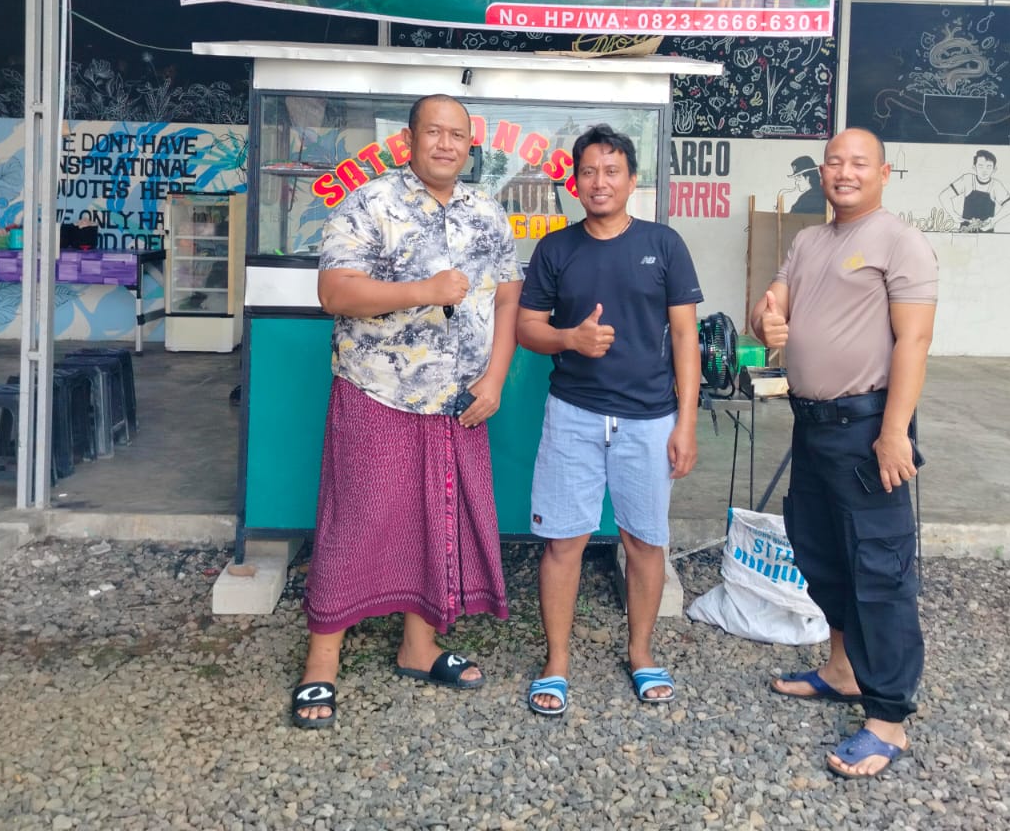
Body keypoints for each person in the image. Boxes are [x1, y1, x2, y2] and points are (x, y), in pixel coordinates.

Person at [291, 94, 523, 730]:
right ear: (409, 140)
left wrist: (496, 378)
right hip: (378, 392)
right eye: (433, 132)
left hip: (458, 400)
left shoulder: (486, 212)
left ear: (470, 146)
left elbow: (507, 299)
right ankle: (321, 662)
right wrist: (424, 290)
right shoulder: (370, 202)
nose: (445, 144)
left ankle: (419, 647)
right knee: (356, 520)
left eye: (457, 135)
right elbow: (334, 292)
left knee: (439, 521)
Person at [750, 127, 937, 780]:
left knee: (880, 571)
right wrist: (766, 318)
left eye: (859, 162)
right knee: (821, 553)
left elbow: (914, 342)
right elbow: (772, 307)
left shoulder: (899, 241)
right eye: (834, 161)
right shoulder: (808, 241)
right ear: (822, 173)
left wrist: (895, 431)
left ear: (884, 173)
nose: (844, 171)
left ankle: (888, 719)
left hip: (868, 429)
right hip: (812, 427)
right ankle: (842, 670)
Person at [515, 125, 702, 716]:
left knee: (645, 542)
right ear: (575, 182)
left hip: (649, 420)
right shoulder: (556, 249)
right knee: (563, 542)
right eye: (589, 172)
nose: (600, 182)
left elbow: (685, 336)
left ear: (632, 180)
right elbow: (526, 328)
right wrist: (569, 338)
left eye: (612, 171)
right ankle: (556, 662)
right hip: (573, 415)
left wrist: (687, 423)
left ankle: (641, 653)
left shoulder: (664, 244)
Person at [939, 149, 1010, 231]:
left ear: (994, 169)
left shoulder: (996, 185)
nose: (984, 170)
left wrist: (993, 220)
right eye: (980, 166)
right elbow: (944, 196)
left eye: (989, 167)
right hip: (965, 230)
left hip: (986, 231)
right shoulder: (967, 179)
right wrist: (953, 215)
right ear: (974, 167)